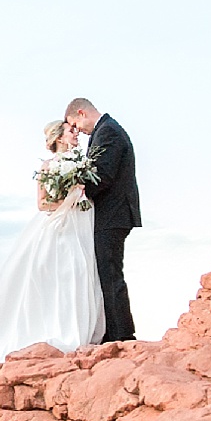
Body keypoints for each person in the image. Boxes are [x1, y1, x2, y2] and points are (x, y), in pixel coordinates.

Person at [0, 119, 106, 369]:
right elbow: (42, 204)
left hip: (79, 226)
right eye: (72, 131)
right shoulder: (48, 167)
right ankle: (56, 331)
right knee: (57, 275)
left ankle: (80, 329)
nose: (77, 134)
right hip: (58, 228)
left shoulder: (82, 164)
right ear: (59, 137)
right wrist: (67, 202)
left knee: (81, 272)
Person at [65, 97, 140, 342]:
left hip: (114, 213)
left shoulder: (108, 132)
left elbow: (103, 175)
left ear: (81, 113)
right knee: (105, 271)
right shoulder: (106, 130)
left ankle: (122, 334)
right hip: (112, 213)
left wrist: (79, 192)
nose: (78, 131)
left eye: (74, 125)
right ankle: (112, 330)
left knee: (110, 272)